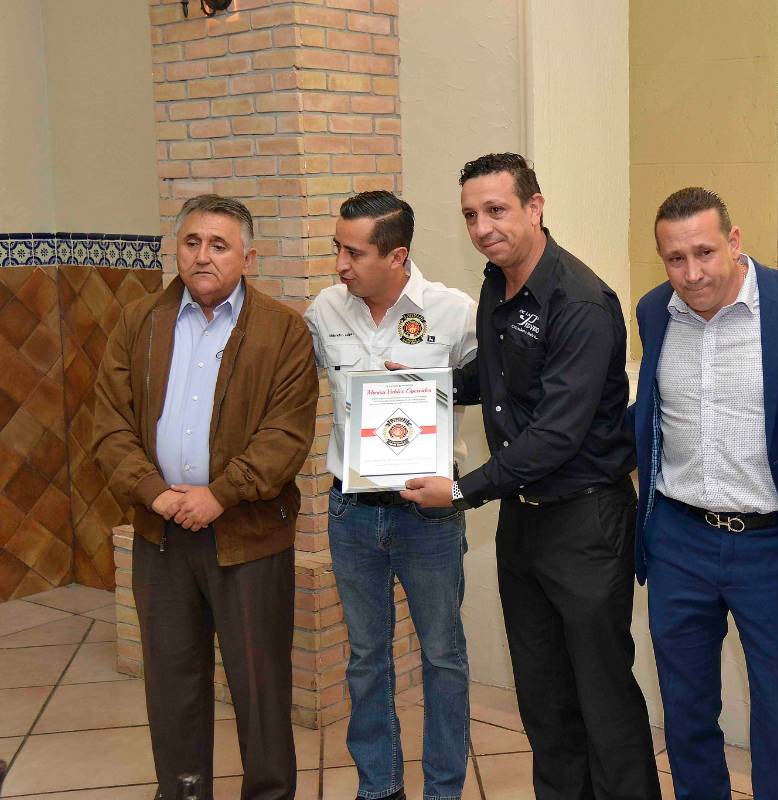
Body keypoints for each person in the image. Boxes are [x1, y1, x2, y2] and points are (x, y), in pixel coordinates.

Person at [401, 153, 660, 800]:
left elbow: (556, 434)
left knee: (603, 697)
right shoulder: (498, 282)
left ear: (535, 207)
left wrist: (461, 490)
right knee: (543, 697)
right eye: (470, 215)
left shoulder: (580, 301)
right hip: (522, 521)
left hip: (585, 522)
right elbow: (495, 380)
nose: (482, 227)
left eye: (496, 210)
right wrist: (421, 387)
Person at [92, 194, 318, 800]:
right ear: (176, 248)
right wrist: (155, 495)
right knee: (172, 685)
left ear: (248, 257)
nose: (202, 256)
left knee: (260, 688)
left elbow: (286, 434)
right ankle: (183, 792)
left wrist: (220, 495)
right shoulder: (138, 322)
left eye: (219, 245)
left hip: (249, 538)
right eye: (191, 242)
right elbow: (110, 425)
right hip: (160, 534)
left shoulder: (283, 331)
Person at [631, 186, 778, 799]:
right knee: (685, 711)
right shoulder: (654, 310)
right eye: (675, 258)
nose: (692, 273)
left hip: (772, 548)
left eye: (705, 253)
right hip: (679, 540)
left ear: (735, 241)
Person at [304, 191, 477, 800]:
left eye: (354, 253)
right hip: (351, 514)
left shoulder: (454, 313)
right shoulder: (324, 310)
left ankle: (443, 791)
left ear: (397, 255)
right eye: (338, 249)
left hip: (427, 517)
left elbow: (497, 391)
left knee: (443, 657)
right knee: (366, 658)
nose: (340, 265)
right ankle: (378, 787)